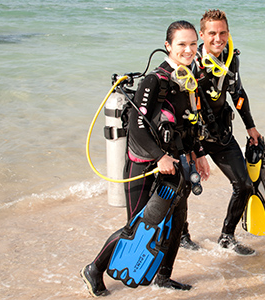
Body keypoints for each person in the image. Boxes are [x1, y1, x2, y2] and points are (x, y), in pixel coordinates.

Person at [80, 20, 209, 297]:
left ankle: (164, 277)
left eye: (192, 44)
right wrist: (160, 156)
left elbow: (188, 124)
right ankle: (94, 268)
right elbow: (137, 129)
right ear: (168, 46)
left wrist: (198, 154)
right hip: (146, 166)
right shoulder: (155, 80)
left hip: (176, 165)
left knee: (176, 222)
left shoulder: (188, 77)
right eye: (181, 44)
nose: (188, 50)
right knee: (138, 227)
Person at [179, 9, 262, 256]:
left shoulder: (230, 58)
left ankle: (227, 237)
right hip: (192, 137)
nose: (218, 38)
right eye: (212, 33)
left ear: (228, 33)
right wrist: (193, 149)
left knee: (244, 184)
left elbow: (238, 93)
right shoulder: (189, 62)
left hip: (220, 132)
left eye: (222, 33)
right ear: (202, 35)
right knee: (183, 189)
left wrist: (250, 125)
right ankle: (181, 235)